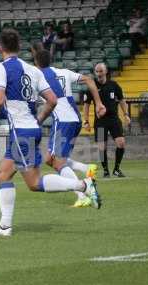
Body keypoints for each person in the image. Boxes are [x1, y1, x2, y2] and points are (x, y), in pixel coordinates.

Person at [0, 29, 101, 237]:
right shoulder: (33, 70)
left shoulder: (1, 69)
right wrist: (38, 120)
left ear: (0, 47)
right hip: (30, 128)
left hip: (21, 132)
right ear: (18, 47)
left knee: (34, 183)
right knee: (3, 174)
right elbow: (52, 100)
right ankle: (4, 226)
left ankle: (83, 185)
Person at [34, 49, 106, 208]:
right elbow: (89, 79)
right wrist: (99, 103)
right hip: (75, 119)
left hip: (63, 121)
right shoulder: (63, 72)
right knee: (51, 159)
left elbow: (46, 102)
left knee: (56, 162)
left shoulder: (38, 77)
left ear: (36, 62)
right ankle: (86, 168)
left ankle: (83, 192)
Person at [84, 63, 130, 178]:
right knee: (101, 147)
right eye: (97, 71)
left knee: (121, 143)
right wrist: (86, 121)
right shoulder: (92, 86)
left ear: (106, 71)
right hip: (100, 122)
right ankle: (105, 170)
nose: (98, 74)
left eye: (100, 71)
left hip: (114, 119)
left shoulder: (114, 85)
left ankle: (117, 169)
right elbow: (86, 105)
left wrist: (126, 115)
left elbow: (122, 101)